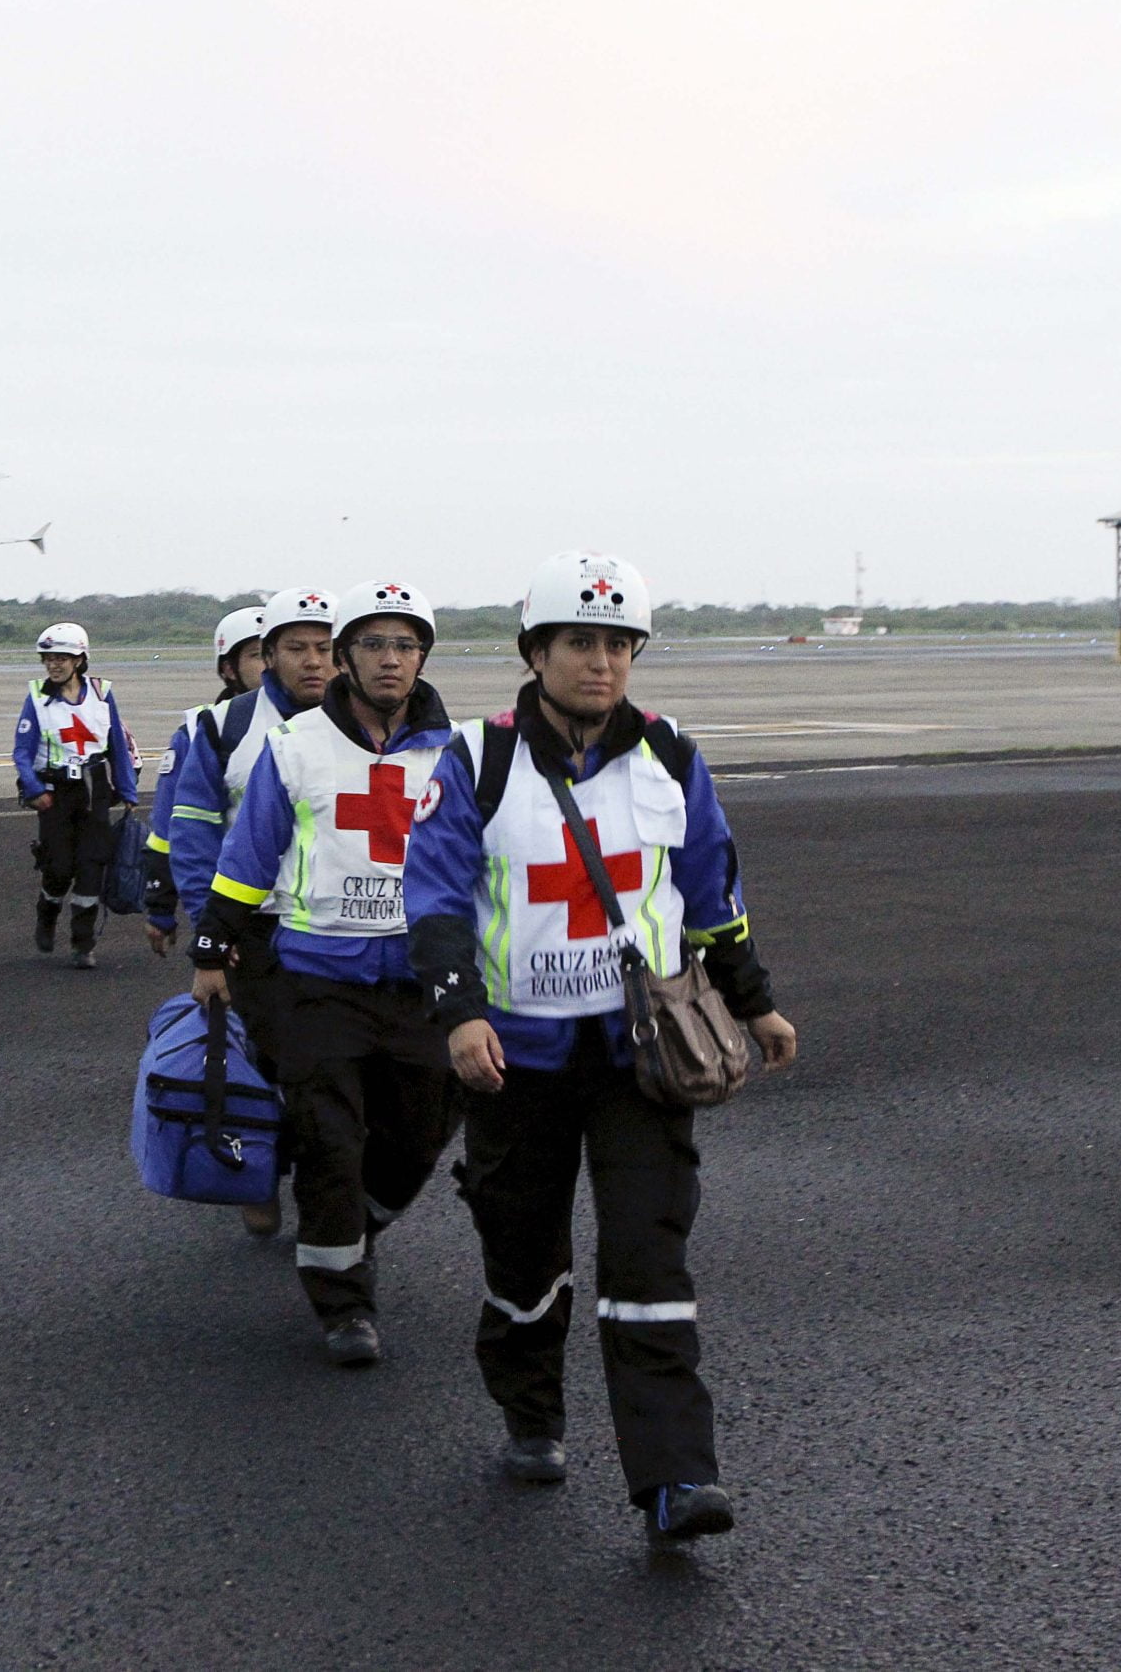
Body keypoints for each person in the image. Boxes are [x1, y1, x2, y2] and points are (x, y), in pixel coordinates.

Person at [405, 551, 799, 1547]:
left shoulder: (670, 755)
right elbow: (439, 898)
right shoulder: (475, 759)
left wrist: (754, 1005)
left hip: (641, 1057)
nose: (602, 662)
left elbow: (713, 894)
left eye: (619, 644)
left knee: (646, 1255)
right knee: (523, 1258)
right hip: (515, 1061)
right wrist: (458, 1014)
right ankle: (531, 1412)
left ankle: (674, 1479)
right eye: (580, 642)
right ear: (535, 652)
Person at [191, 582, 459, 1368]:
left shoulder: (458, 752)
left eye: (404, 644)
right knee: (329, 1143)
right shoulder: (297, 745)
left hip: (419, 982)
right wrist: (212, 948)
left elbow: (487, 860)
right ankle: (343, 1303)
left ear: (421, 658)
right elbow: (251, 856)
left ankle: (355, 1226)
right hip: (318, 979)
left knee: (416, 1140)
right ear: (345, 657)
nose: (389, 658)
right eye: (372, 643)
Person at [165, 586, 340, 1237]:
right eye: (297, 648)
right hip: (256, 928)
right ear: (268, 656)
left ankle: (334, 1208)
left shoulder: (370, 728)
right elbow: (190, 834)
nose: (314, 661)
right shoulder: (223, 727)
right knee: (272, 1063)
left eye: (326, 648)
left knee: (337, 1071)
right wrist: (210, 931)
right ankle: (261, 1174)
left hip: (340, 927)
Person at [11, 622, 138, 968]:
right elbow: (22, 752)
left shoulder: (101, 693)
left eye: (62, 658)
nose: (54, 664)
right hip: (55, 794)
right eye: (48, 658)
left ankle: (83, 944)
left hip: (95, 789)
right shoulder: (37, 698)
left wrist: (127, 788)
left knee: (91, 868)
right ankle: (47, 914)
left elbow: (117, 746)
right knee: (58, 867)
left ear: (79, 660)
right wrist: (34, 789)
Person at [142, 605, 265, 957]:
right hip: (234, 908)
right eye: (258, 655)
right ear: (228, 668)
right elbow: (168, 831)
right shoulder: (199, 733)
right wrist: (161, 909)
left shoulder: (322, 725)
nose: (271, 664)